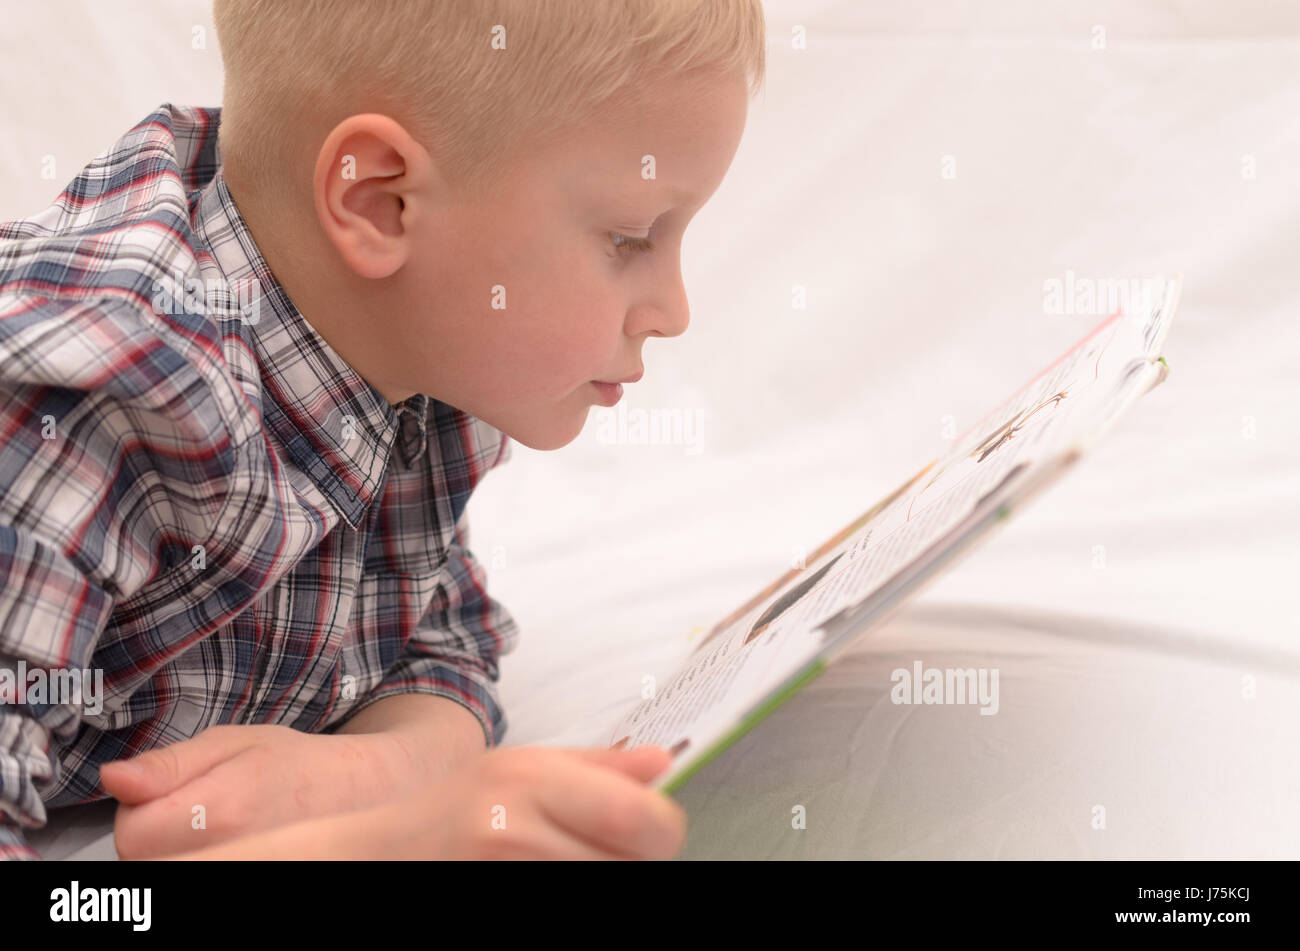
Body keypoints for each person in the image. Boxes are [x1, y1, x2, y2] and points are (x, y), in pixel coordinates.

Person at [0, 0, 765, 861]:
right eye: (630, 237)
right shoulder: (96, 404)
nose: (675, 312)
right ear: (379, 201)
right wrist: (387, 841)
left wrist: (369, 774)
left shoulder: (416, 365)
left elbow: (441, 648)